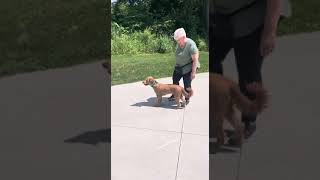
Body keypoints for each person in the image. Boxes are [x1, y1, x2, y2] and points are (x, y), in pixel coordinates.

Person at [209, 0, 289, 139]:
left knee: (248, 71)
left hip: (255, 14)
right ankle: (217, 109)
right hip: (222, 14)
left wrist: (269, 32)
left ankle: (248, 121)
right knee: (207, 60)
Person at [168, 28, 200, 104]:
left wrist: (193, 72)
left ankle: (187, 98)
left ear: (183, 37)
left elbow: (195, 60)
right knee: (175, 80)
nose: (177, 42)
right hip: (179, 66)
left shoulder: (191, 45)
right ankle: (175, 93)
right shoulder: (180, 43)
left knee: (187, 84)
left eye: (178, 40)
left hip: (188, 68)